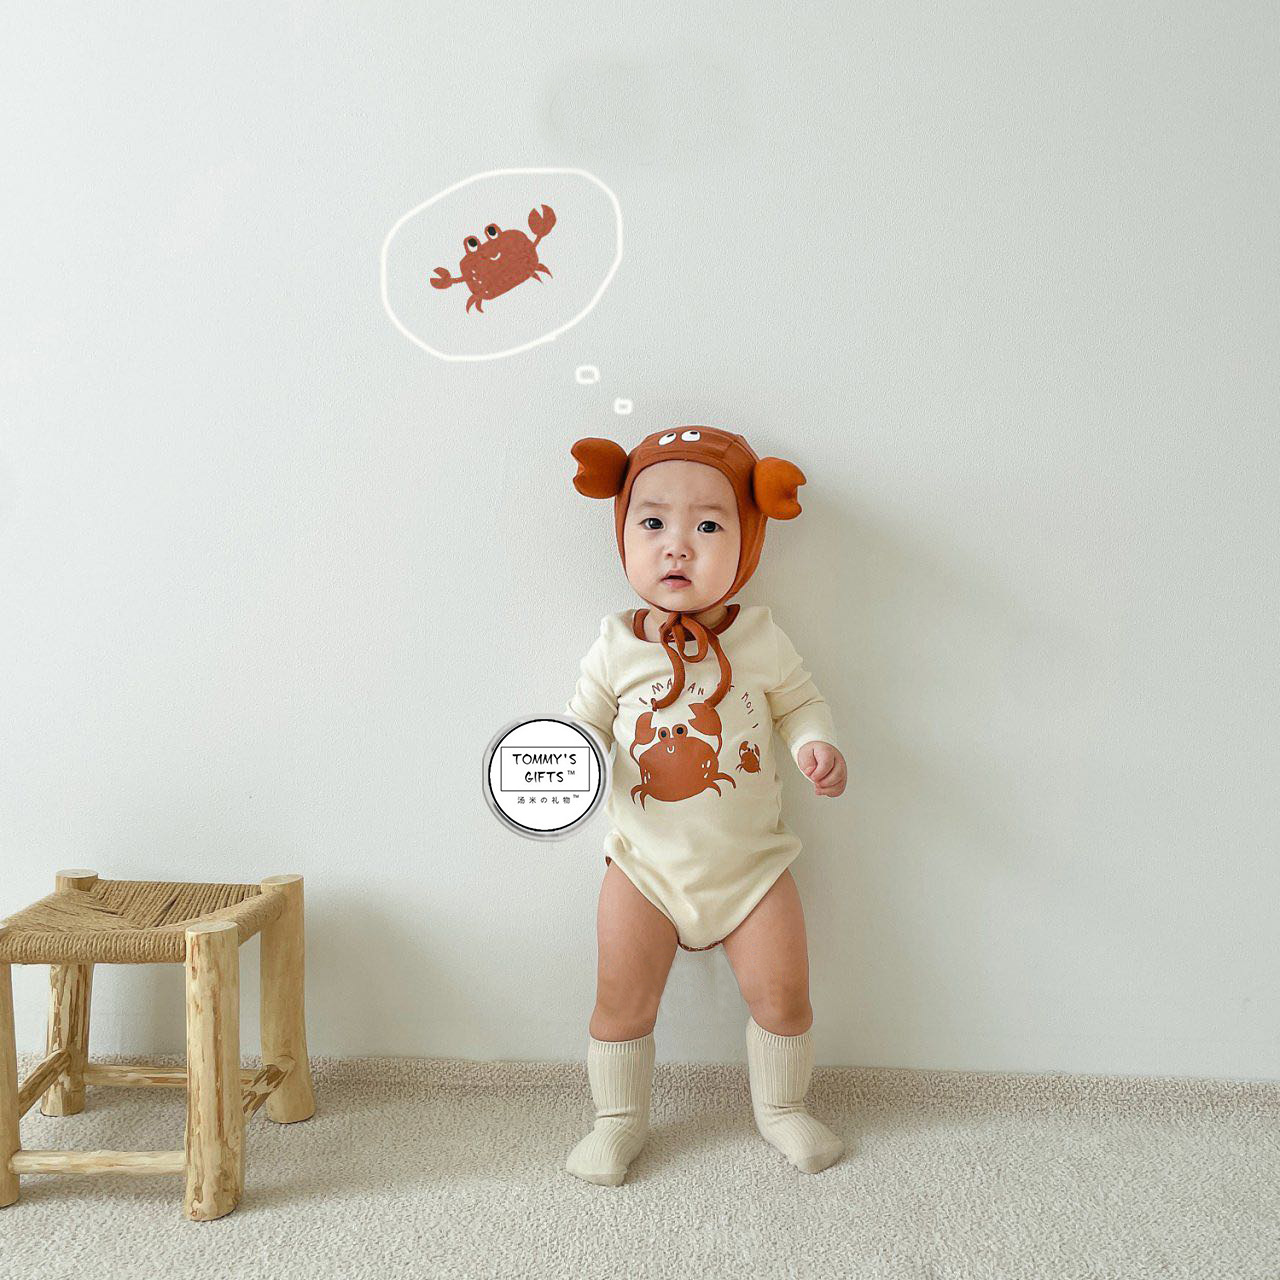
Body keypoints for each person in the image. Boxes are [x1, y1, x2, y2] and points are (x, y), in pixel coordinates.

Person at [564, 425, 848, 1186]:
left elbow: (800, 702)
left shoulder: (759, 638)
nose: (677, 547)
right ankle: (617, 1121)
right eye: (653, 522)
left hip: (752, 868)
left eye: (710, 526)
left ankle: (783, 1108)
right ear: (623, 535)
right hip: (643, 867)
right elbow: (581, 727)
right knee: (621, 1000)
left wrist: (815, 743)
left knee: (784, 996)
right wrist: (556, 770)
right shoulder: (615, 646)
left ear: (749, 538)